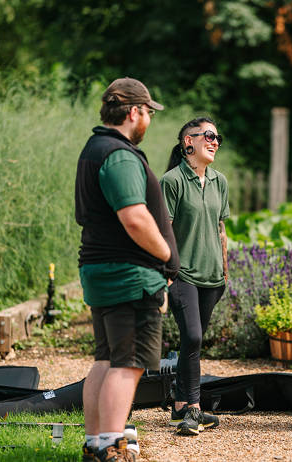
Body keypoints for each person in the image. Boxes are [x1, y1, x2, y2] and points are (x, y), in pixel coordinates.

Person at [75, 77, 180, 461]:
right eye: (149, 112)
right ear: (134, 112)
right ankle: (111, 449)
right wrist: (167, 257)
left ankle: (95, 445)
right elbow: (135, 218)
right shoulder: (117, 154)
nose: (149, 120)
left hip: (103, 270)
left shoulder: (95, 149)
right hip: (129, 276)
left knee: (106, 359)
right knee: (129, 363)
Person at [160, 117, 229, 436]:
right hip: (183, 274)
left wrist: (225, 271)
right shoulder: (172, 181)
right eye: (209, 136)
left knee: (193, 342)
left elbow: (220, 228)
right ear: (188, 142)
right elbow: (163, 231)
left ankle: (178, 407)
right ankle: (194, 409)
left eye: (218, 138)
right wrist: (167, 275)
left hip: (213, 278)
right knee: (193, 337)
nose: (215, 142)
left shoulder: (220, 181)